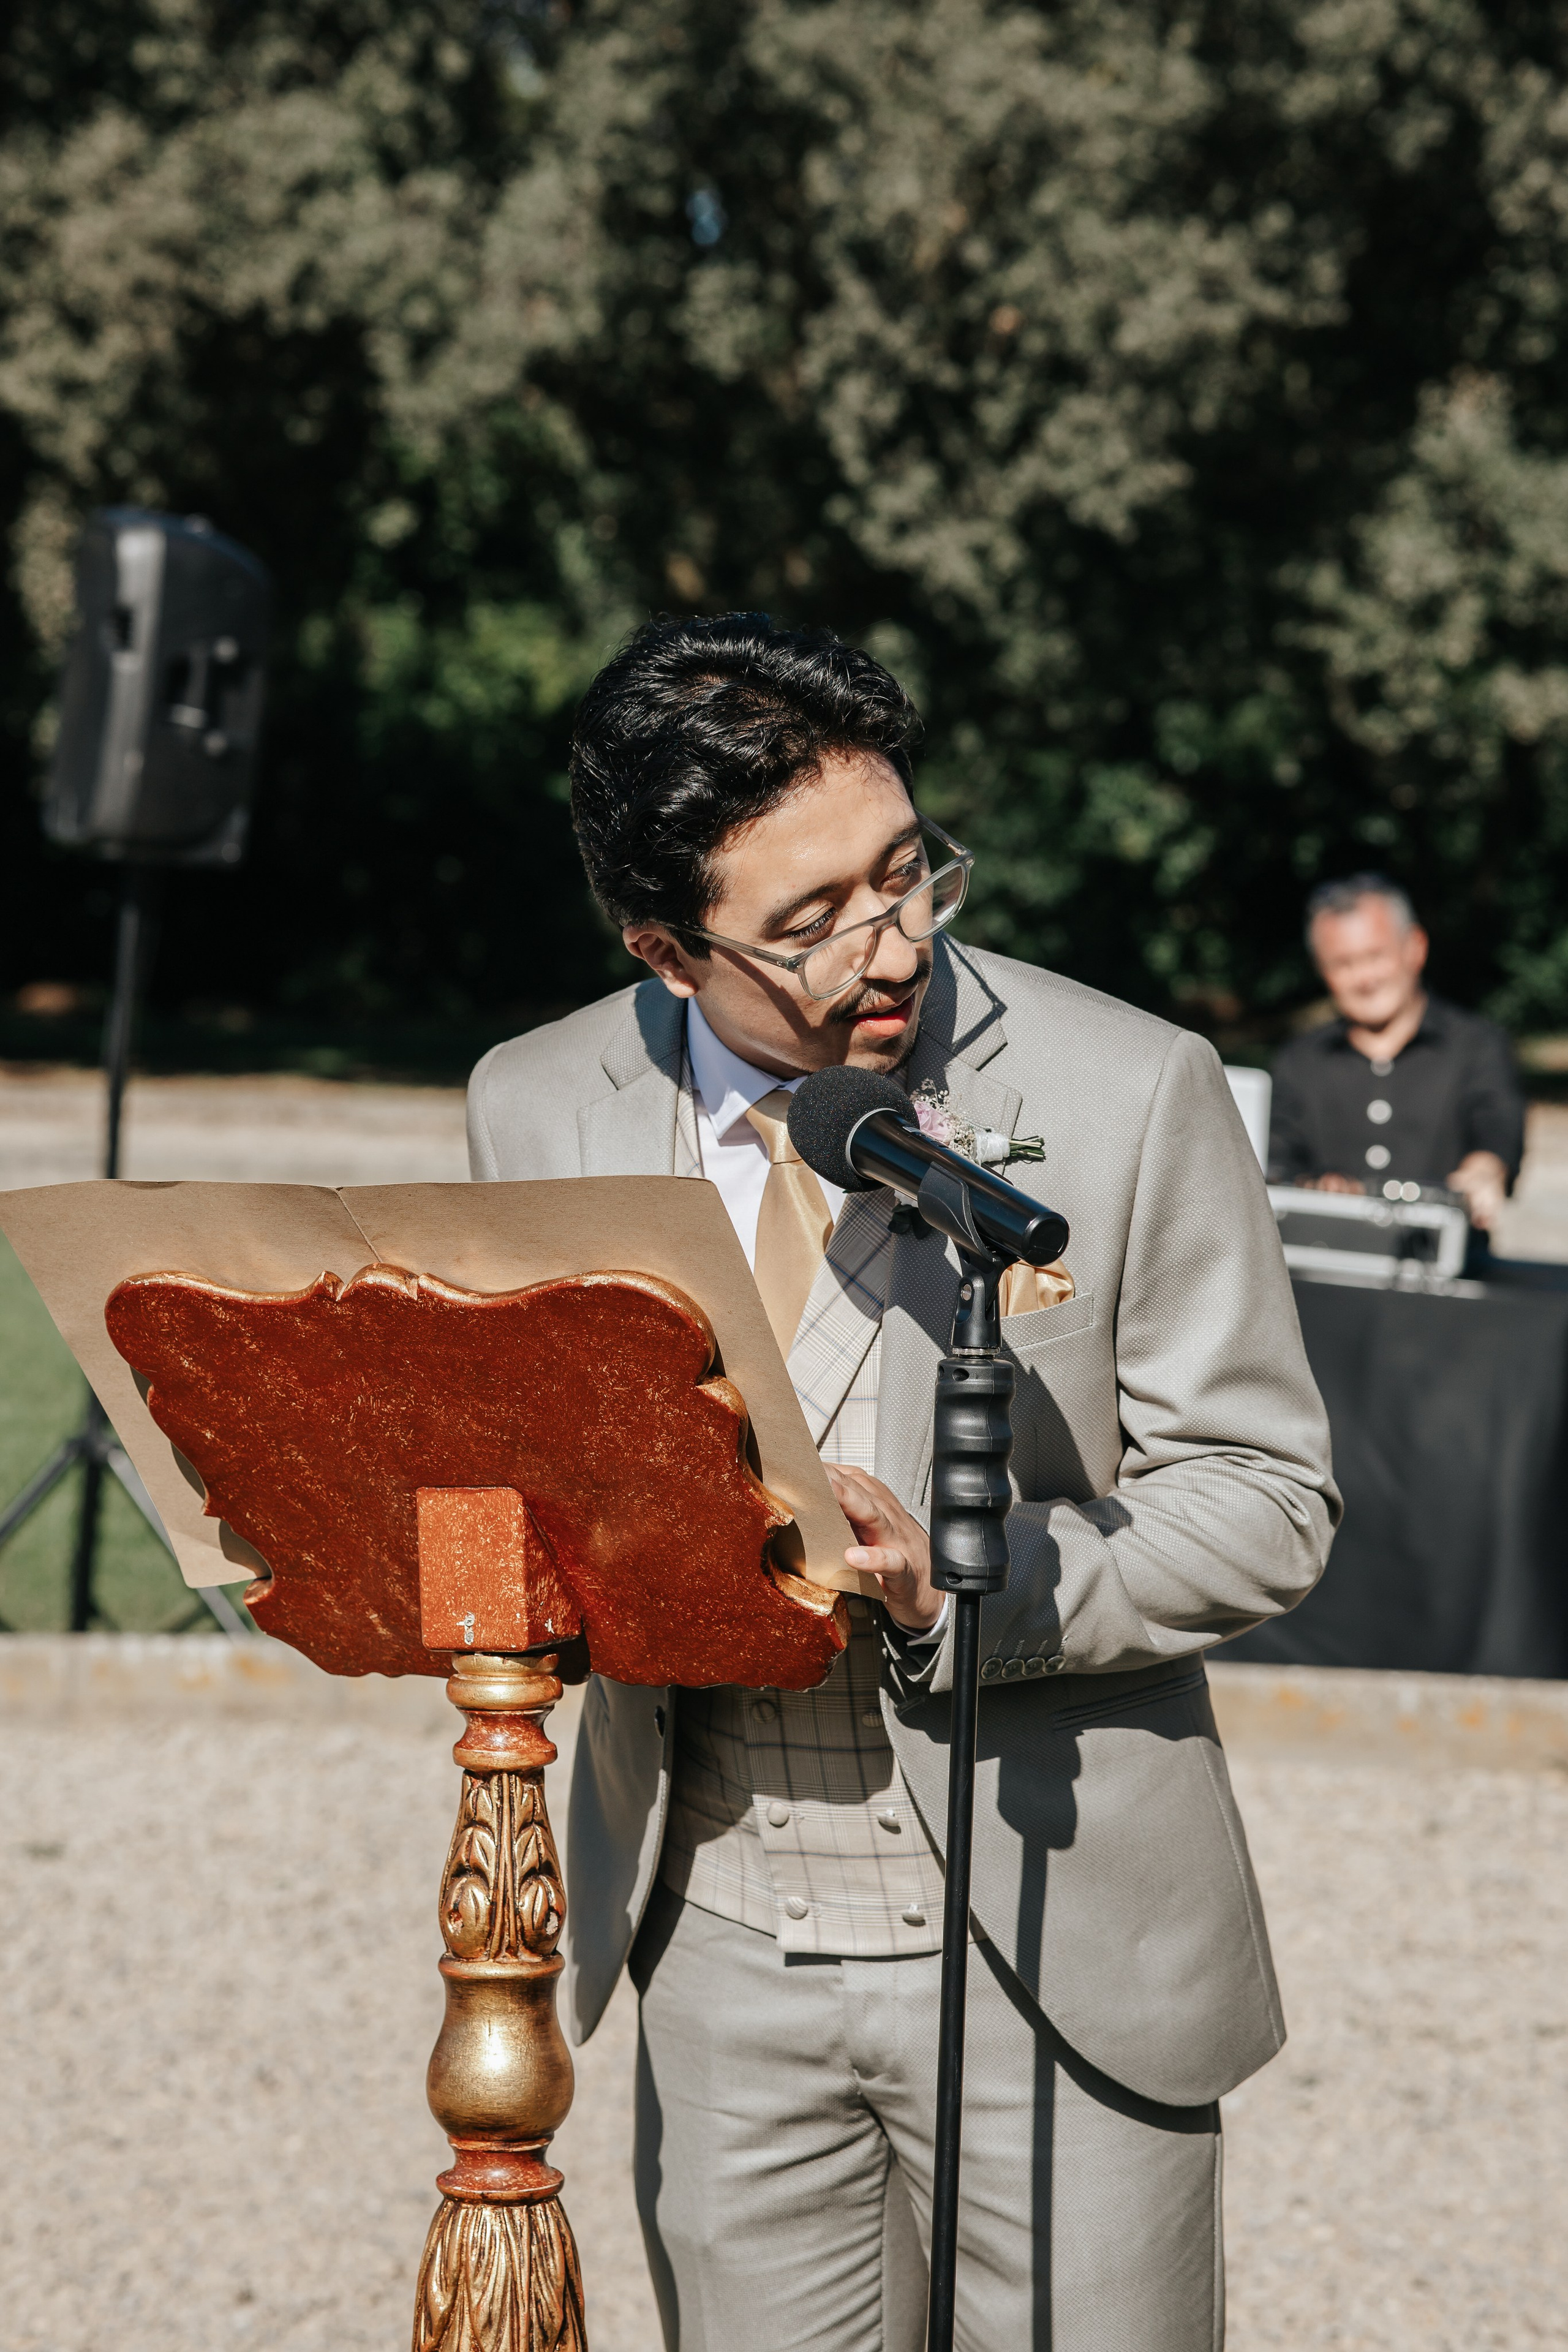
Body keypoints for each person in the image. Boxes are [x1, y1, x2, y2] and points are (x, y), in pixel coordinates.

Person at [467, 614, 1338, 2352]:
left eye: (905, 869)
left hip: (1059, 1932)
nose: (896, 943)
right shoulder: (536, 1103)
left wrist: (980, 1584)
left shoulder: (1132, 1085)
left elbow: (1267, 1492)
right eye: (810, 924)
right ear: (662, 946)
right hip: (711, 1938)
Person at [1268, 875, 1525, 1236]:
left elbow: (1496, 1129)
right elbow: (1276, 1159)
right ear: (1322, 970)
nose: (1364, 978)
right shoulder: (1298, 1060)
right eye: (1343, 963)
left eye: (1376, 956)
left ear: (1415, 948)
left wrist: (1484, 1172)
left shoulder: (1478, 1046)